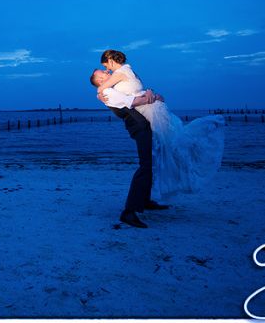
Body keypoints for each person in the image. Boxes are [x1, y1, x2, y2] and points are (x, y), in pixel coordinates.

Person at [91, 49, 225, 228]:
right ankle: (129, 212)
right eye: (103, 73)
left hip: (146, 125)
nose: (106, 72)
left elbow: (133, 95)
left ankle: (144, 201)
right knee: (145, 166)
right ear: (99, 81)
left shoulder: (115, 85)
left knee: (151, 163)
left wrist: (150, 94)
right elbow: (133, 102)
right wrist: (147, 97)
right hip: (140, 128)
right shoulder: (107, 93)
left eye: (105, 68)